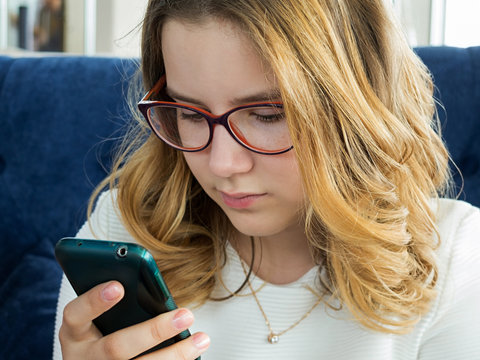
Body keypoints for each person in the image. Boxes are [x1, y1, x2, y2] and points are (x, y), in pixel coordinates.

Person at [53, 0, 480, 359]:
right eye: (188, 112)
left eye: (267, 115)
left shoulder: (457, 257)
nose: (221, 164)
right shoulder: (122, 232)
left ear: (357, 106)